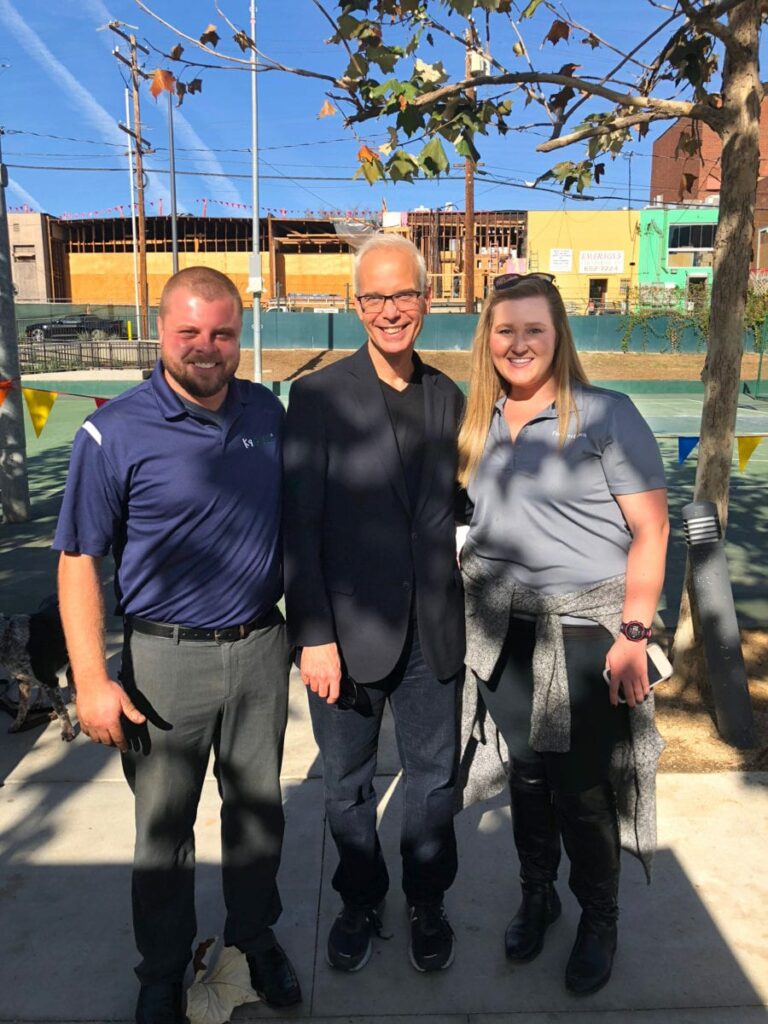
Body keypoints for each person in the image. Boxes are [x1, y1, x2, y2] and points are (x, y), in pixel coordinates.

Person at [54, 267, 301, 1024]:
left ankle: (254, 938)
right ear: (160, 331)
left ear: (238, 336)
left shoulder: (267, 411)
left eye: (222, 333)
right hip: (164, 662)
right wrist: (93, 681)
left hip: (262, 647)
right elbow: (77, 560)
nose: (206, 348)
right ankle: (162, 968)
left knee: (258, 816)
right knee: (163, 832)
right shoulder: (113, 431)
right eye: (188, 333)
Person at [457, 272, 668, 996]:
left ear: (558, 337)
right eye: (504, 329)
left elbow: (651, 528)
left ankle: (600, 916)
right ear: (487, 339)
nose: (518, 343)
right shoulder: (477, 422)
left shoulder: (606, 415)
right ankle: (537, 893)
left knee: (583, 790)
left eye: (533, 330)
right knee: (529, 775)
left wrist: (633, 634)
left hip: (583, 635)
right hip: (502, 632)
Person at [283, 234, 465, 974]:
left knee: (433, 785)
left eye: (405, 295)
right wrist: (313, 635)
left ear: (427, 299)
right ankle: (360, 897)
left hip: (433, 635)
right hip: (347, 637)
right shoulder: (319, 396)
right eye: (376, 297)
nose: (392, 311)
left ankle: (427, 897)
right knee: (347, 787)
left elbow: (470, 507)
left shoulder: (450, 397)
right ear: (356, 305)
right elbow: (299, 526)